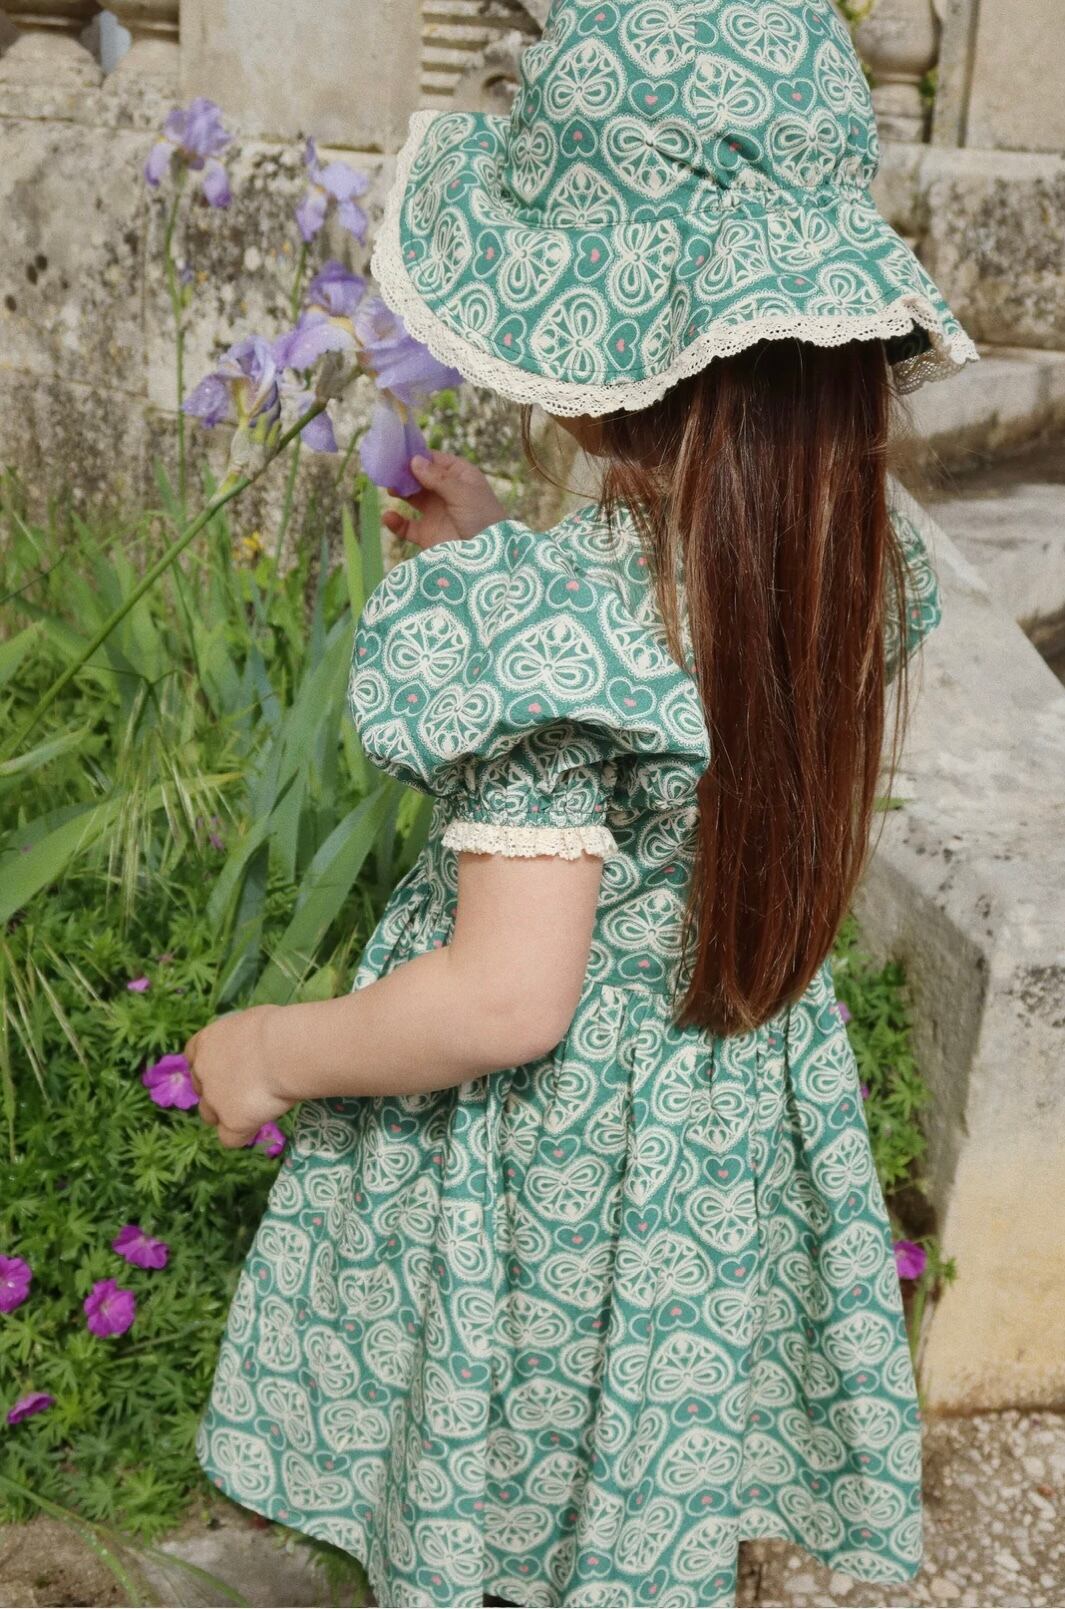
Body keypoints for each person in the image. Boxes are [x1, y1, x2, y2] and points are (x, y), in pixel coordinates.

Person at [187, 2, 978, 1604]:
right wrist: (504, 557)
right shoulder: (844, 568)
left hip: (553, 1186)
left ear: (592, 348)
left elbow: (504, 997)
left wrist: (270, 1047)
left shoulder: (542, 629)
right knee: (632, 1525)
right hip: (708, 1170)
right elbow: (673, 676)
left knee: (509, 1537)